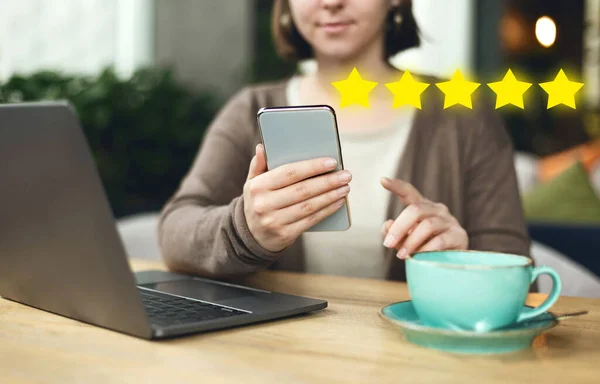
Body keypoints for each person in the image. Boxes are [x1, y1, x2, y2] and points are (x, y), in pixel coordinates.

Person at [157, 0, 530, 281]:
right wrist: (246, 230)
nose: (331, 2)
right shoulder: (251, 109)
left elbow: (515, 264)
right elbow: (176, 230)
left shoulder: (463, 114)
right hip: (278, 357)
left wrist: (462, 257)